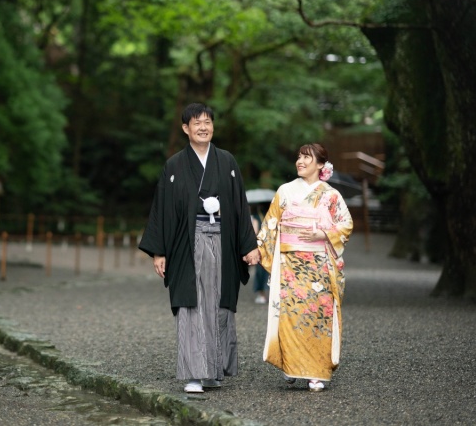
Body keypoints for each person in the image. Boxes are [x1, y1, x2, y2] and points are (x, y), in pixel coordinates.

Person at [139, 103, 257, 394]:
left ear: (213, 126)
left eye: (207, 122)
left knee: (218, 304)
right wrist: (159, 250)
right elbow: (163, 209)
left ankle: (214, 370)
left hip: (223, 240)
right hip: (186, 243)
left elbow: (240, 206)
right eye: (196, 123)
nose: (203, 127)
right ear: (185, 129)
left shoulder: (227, 161)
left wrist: (249, 245)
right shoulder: (175, 165)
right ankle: (194, 373)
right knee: (192, 305)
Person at [243, 143, 353, 392]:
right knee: (290, 317)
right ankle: (292, 366)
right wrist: (257, 251)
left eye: (307, 157)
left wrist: (323, 232)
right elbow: (270, 225)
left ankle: (317, 371)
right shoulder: (284, 191)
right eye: (299, 157)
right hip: (290, 264)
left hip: (319, 266)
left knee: (318, 317)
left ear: (321, 165)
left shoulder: (331, 195)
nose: (300, 161)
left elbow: (346, 224)